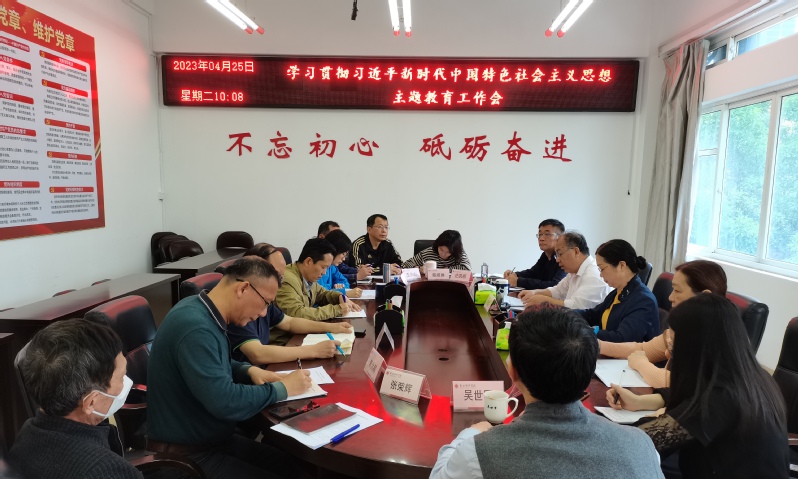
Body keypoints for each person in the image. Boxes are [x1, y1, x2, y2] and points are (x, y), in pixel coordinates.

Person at [430, 306, 664, 479]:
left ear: (513, 372)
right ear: (587, 374)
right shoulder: (642, 447)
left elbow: (439, 475)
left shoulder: (479, 453)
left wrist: (470, 433)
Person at [146, 257, 312, 479]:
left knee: (293, 468)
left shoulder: (199, 308)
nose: (264, 314)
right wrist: (282, 389)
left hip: (213, 441)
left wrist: (247, 370)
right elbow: (225, 402)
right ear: (243, 288)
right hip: (186, 457)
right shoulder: (196, 328)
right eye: (265, 303)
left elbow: (212, 362)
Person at [606, 294, 788, 478]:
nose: (668, 354)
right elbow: (691, 397)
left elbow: (638, 444)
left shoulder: (720, 399)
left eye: (674, 347)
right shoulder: (751, 376)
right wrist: (640, 402)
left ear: (694, 349)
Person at [8, 319, 141, 479]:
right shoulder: (107, 471)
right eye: (120, 377)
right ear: (91, 402)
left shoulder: (25, 436)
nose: (126, 382)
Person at [600, 260, 727, 388]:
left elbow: (675, 382)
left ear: (705, 296)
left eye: (677, 291)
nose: (670, 297)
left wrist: (640, 363)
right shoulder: (683, 326)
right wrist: (598, 345)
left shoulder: (716, 338)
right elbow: (643, 349)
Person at [226, 243, 353, 364]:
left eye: (280, 277)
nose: (279, 283)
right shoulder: (239, 307)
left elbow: (290, 322)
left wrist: (331, 327)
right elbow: (257, 354)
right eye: (277, 276)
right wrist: (314, 350)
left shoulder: (263, 301)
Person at [574, 239, 659, 343]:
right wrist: (564, 315)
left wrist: (583, 332)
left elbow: (621, 339)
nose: (600, 274)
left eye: (602, 269)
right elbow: (592, 315)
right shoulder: (617, 293)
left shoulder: (644, 300)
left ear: (621, 265)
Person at [276, 237, 362, 322]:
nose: (324, 273)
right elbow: (297, 314)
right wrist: (337, 310)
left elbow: (322, 294)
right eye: (323, 267)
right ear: (308, 261)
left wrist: (339, 297)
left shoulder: (307, 277)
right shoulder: (287, 280)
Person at [518, 231, 611, 309]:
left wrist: (545, 301)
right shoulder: (574, 271)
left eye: (560, 254)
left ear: (576, 251)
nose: (557, 260)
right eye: (556, 255)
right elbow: (558, 291)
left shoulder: (593, 274)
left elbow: (577, 307)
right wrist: (534, 292)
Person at [503, 219, 566, 289]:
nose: (541, 238)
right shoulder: (545, 255)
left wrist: (518, 281)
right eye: (540, 234)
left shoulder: (564, 258)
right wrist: (515, 274)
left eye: (547, 234)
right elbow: (533, 273)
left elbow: (556, 286)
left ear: (560, 237)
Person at [316, 229, 363, 298]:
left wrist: (339, 286)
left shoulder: (332, 267)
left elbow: (345, 282)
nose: (344, 259)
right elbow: (321, 293)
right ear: (335, 250)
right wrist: (342, 292)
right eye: (343, 254)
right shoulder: (319, 267)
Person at [401, 230, 471, 271]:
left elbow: (467, 269)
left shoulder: (458, 253)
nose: (443, 254)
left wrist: (446, 270)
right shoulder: (428, 253)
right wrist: (419, 269)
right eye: (441, 249)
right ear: (437, 245)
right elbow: (405, 265)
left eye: (448, 252)